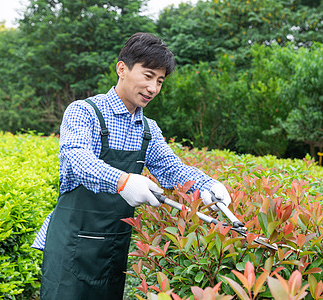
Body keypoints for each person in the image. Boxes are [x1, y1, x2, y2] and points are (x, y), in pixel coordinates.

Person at [34, 32, 231, 299]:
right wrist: (123, 181)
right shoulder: (84, 112)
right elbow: (78, 159)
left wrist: (207, 185)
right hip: (70, 246)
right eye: (148, 76)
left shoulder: (148, 129)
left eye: (160, 81)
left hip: (112, 249)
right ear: (122, 69)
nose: (153, 88)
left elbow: (171, 168)